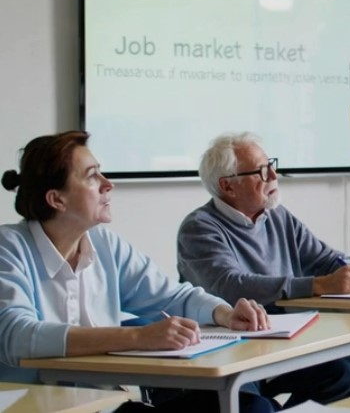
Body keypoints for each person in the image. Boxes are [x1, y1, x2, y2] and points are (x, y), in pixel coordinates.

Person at [0, 131, 276, 413]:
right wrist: (138, 337)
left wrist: (224, 313)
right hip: (38, 408)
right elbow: (17, 336)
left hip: (106, 406)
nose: (109, 185)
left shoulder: (105, 244)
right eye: (92, 176)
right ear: (57, 199)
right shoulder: (8, 248)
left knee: (252, 406)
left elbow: (170, 296)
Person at [176, 132, 350, 408]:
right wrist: (318, 285)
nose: (274, 174)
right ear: (228, 186)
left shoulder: (276, 215)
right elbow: (232, 285)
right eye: (261, 170)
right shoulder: (199, 228)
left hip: (298, 332)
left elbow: (324, 258)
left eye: (271, 164)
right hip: (243, 344)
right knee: (338, 376)